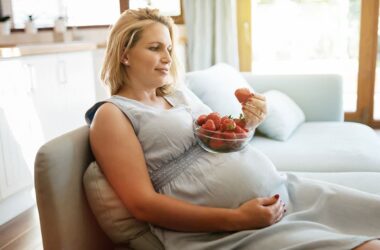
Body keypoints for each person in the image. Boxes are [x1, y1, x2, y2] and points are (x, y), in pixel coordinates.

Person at [85, 8, 380, 250]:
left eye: (169, 49)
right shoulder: (113, 115)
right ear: (124, 54)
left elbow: (223, 140)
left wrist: (248, 122)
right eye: (154, 48)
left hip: (283, 192)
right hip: (228, 232)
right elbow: (143, 206)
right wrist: (237, 218)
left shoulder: (176, 93)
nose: (167, 57)